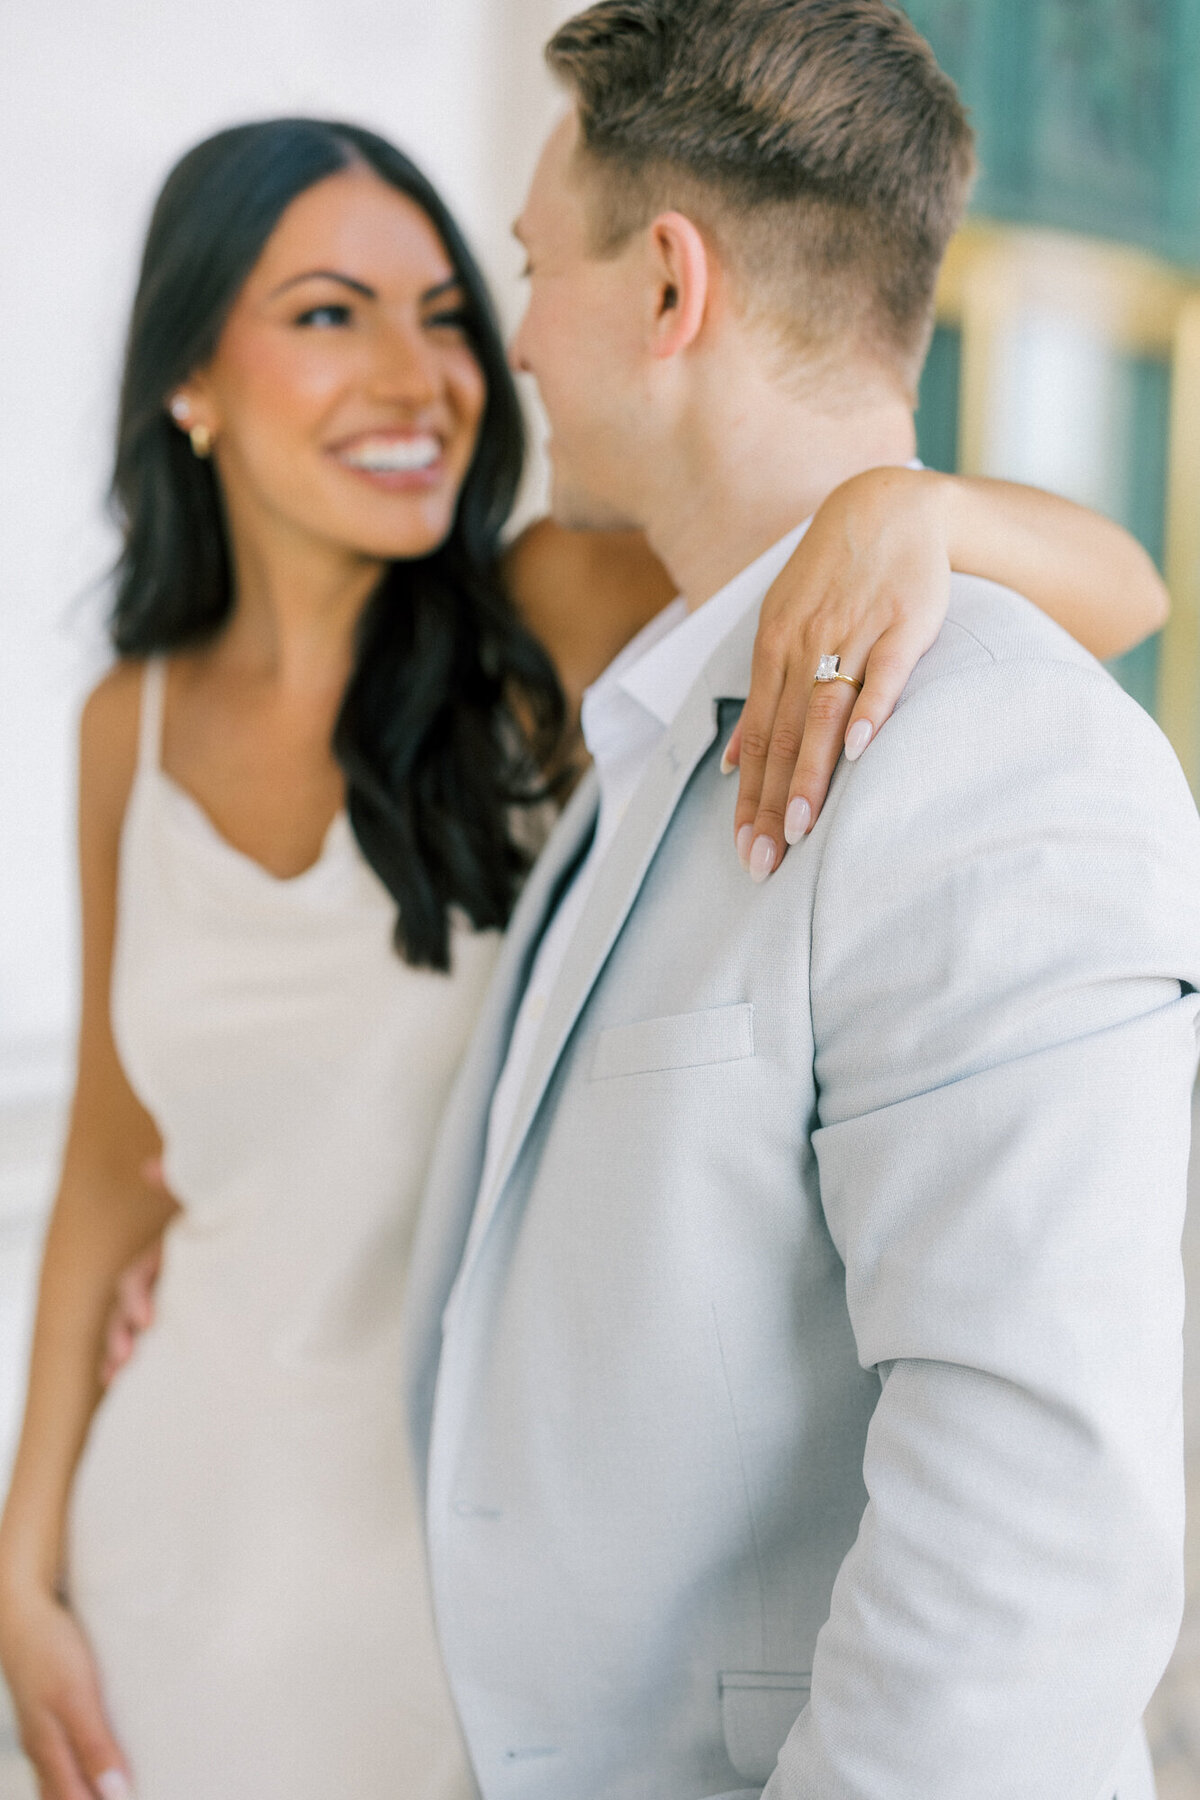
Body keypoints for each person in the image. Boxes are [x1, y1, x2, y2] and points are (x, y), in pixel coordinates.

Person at [0, 107, 1172, 1800]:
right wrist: (25, 1561)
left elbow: (1122, 587)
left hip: (452, 1602)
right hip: (164, 1552)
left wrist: (910, 513)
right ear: (191, 376)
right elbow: (117, 1155)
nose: (421, 376)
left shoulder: (553, 610)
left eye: (453, 312)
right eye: (332, 314)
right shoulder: (133, 718)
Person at [397, 6, 1200, 1799]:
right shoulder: (649, 687)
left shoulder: (1006, 758)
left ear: (667, 287)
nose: (517, 336)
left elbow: (1028, 1549)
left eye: (534, 268)